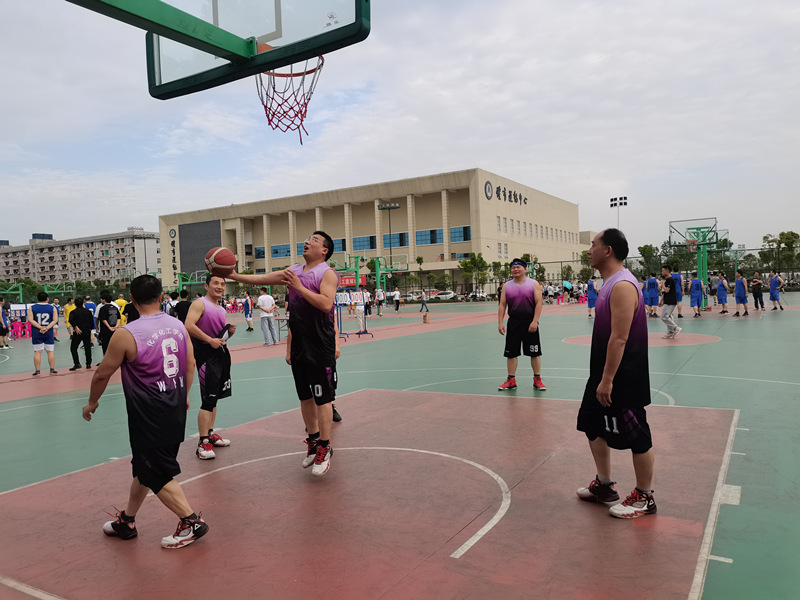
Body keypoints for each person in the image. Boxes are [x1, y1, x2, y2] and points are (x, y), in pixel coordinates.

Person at [81, 274, 208, 549]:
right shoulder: (177, 325)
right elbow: (190, 363)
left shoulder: (127, 334)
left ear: (131, 300)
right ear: (161, 296)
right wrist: (185, 395)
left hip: (148, 413)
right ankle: (127, 520)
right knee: (145, 466)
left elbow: (102, 374)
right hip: (175, 406)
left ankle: (191, 522)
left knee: (155, 471)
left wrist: (92, 402)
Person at [227, 231, 340, 477]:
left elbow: (325, 304)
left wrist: (299, 287)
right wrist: (233, 275)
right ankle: (313, 441)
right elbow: (262, 278)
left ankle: (325, 446)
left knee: (322, 398)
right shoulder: (294, 271)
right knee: (305, 397)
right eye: (308, 238)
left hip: (320, 344)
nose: (307, 241)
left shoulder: (327, 273)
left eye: (315, 240)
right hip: (299, 343)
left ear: (324, 251)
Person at [576, 229, 657, 519]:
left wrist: (608, 380)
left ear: (608, 250)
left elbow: (620, 338)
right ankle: (604, 484)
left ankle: (644, 497)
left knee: (637, 435)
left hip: (623, 375)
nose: (589, 250)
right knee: (591, 424)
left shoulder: (622, 285)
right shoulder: (608, 284)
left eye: (593, 245)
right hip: (602, 374)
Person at [184, 274, 235, 460]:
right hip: (206, 356)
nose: (220, 286)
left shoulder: (220, 308)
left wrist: (227, 334)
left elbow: (216, 335)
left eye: (222, 284)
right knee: (208, 400)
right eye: (216, 283)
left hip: (220, 355)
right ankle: (202, 442)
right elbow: (188, 325)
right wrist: (210, 340)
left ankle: (210, 433)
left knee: (215, 398)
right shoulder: (200, 304)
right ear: (206, 286)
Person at [497, 258, 546, 392]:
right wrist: (500, 322)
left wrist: (535, 321)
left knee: (534, 352)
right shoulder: (507, 286)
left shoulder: (533, 284)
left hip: (530, 322)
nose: (515, 269)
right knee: (511, 353)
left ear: (525, 269)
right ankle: (511, 380)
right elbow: (502, 305)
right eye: (513, 267)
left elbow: (539, 303)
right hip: (513, 322)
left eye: (518, 267)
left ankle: (537, 380)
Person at [28, 292, 58, 376]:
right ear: (47, 299)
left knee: (37, 352)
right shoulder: (52, 308)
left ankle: (37, 370)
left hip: (37, 332)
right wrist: (47, 328)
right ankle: (52, 369)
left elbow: (30, 320)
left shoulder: (32, 307)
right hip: (48, 332)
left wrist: (40, 327)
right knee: (50, 351)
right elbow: (55, 320)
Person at [69, 298, 94, 370]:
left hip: (78, 332)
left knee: (73, 348)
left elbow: (70, 320)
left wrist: (75, 326)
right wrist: (90, 329)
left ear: (75, 304)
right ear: (83, 303)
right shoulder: (88, 312)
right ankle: (88, 363)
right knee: (87, 347)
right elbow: (91, 322)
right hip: (86, 331)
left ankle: (77, 363)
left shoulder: (73, 312)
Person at [658, 265, 681, 339]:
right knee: (669, 316)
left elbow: (667, 290)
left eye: (663, 270)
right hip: (667, 300)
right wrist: (661, 300)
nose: (662, 272)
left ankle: (676, 328)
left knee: (664, 317)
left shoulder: (670, 280)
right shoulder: (667, 280)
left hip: (670, 301)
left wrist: (663, 284)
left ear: (667, 271)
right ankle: (670, 332)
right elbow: (665, 292)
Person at [97, 291, 122, 356]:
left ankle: (106, 359)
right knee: (114, 345)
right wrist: (116, 326)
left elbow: (103, 319)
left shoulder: (102, 308)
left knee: (105, 346)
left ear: (104, 300)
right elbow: (119, 318)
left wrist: (109, 327)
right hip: (114, 330)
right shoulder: (115, 308)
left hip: (105, 330)